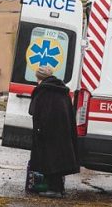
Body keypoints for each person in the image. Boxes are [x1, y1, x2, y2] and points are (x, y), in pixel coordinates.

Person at [28, 66, 80, 194]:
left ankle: (54, 189)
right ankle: (59, 188)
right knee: (59, 160)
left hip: (46, 132)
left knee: (48, 159)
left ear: (39, 78)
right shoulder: (62, 90)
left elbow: (32, 111)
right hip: (63, 131)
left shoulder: (42, 90)